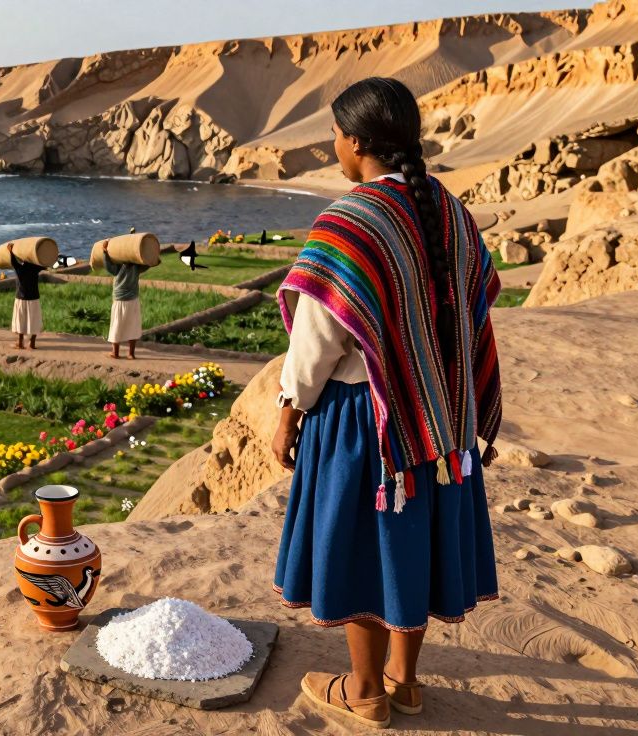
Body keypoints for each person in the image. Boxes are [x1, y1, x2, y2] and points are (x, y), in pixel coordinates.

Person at [269, 77, 503, 730]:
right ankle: (405, 681)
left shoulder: (349, 221)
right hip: (437, 424)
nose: (335, 147)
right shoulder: (450, 210)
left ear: (356, 141)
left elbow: (317, 340)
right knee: (411, 545)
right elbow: (478, 300)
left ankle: (365, 689)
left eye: (335, 137)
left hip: (364, 424)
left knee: (366, 549)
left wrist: (289, 408)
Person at [103, 243, 149, 359]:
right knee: (132, 326)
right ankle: (131, 354)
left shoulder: (118, 268)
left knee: (117, 325)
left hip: (119, 300)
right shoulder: (136, 267)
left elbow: (107, 265)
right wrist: (154, 257)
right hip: (133, 300)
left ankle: (115, 353)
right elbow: (149, 264)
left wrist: (105, 251)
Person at [8, 243, 44, 350]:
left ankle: (20, 343)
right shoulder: (35, 268)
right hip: (34, 298)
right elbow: (45, 264)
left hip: (21, 298)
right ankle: (32, 344)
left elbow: (13, 262)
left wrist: (10, 251)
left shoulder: (19, 268)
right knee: (34, 321)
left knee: (20, 321)